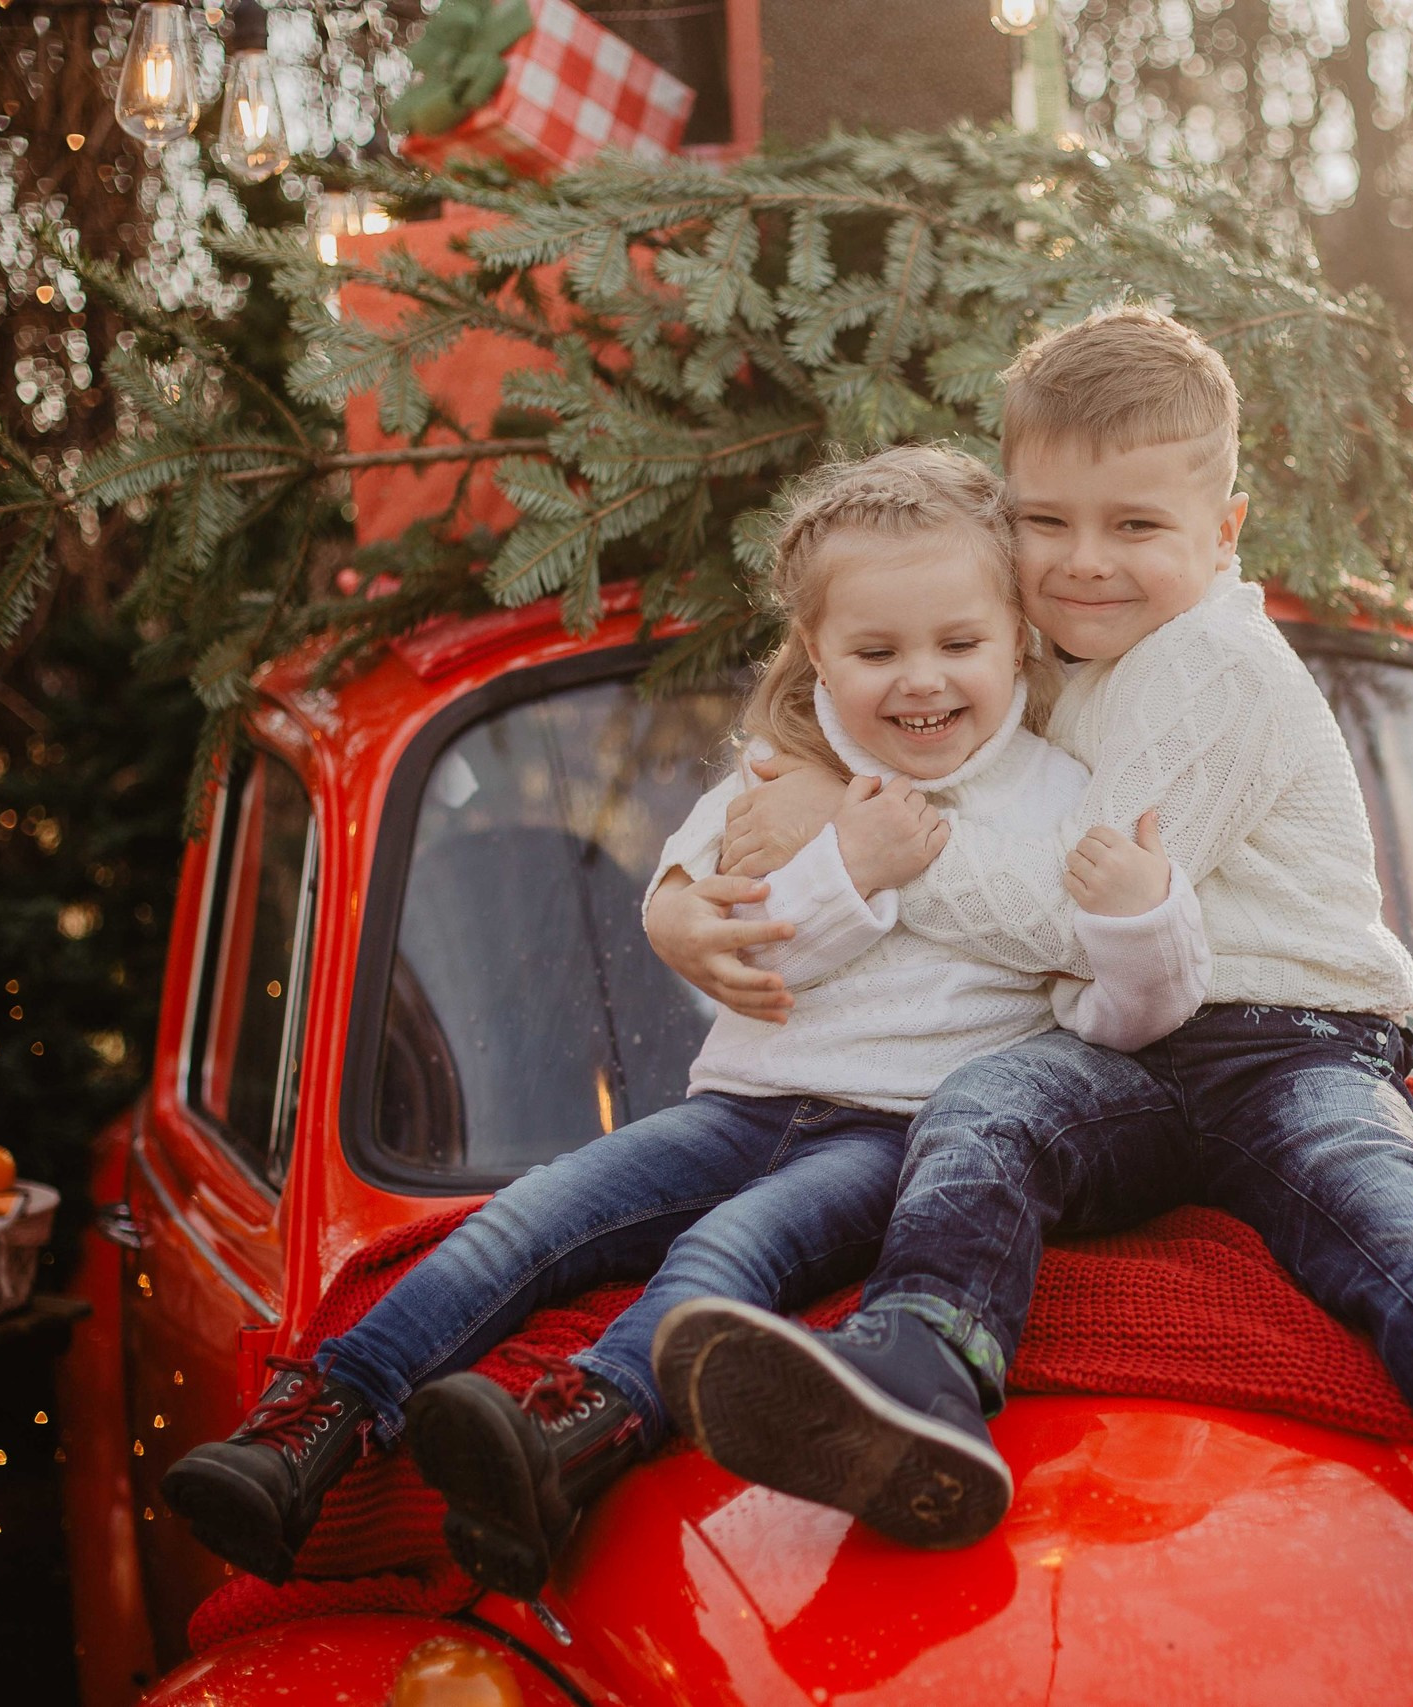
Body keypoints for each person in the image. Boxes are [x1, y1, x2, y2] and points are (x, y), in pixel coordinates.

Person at [645, 308, 1413, 1637]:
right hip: (1131, 1045)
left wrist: (872, 844)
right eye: (1046, 522)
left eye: (1136, 526)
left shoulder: (1214, 668)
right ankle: (917, 1370)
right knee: (986, 1111)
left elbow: (1057, 904)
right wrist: (715, 875)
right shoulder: (1050, 661)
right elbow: (896, 703)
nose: (1084, 563)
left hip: (1289, 1035)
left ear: (1226, 528)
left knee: (1363, 1185)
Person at [159, 444, 1210, 1602]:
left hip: (896, 1137)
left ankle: (574, 1428)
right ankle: (313, 1421)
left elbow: (1089, 985)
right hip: (743, 1101)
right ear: (815, 652)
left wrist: (1054, 908)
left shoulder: (1058, 796)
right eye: (875, 652)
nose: (921, 682)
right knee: (536, 1217)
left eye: (957, 645)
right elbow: (728, 947)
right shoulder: (781, 771)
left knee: (730, 1250)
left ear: (1017, 633)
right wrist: (785, 882)